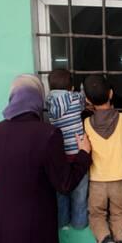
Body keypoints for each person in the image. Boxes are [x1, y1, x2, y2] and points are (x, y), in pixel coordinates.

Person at [0, 74, 92, 243]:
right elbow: (65, 183)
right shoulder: (48, 134)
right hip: (32, 224)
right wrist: (84, 155)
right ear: (38, 100)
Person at [83, 75, 122, 243]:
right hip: (120, 178)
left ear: (87, 100)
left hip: (97, 180)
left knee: (96, 215)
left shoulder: (86, 123)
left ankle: (105, 239)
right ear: (111, 94)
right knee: (119, 213)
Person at [45, 69, 89, 230]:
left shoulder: (48, 101)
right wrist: (83, 87)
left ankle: (62, 222)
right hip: (78, 153)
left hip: (59, 156)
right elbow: (85, 98)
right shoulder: (74, 98)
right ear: (70, 87)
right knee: (80, 193)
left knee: (61, 192)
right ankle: (79, 223)